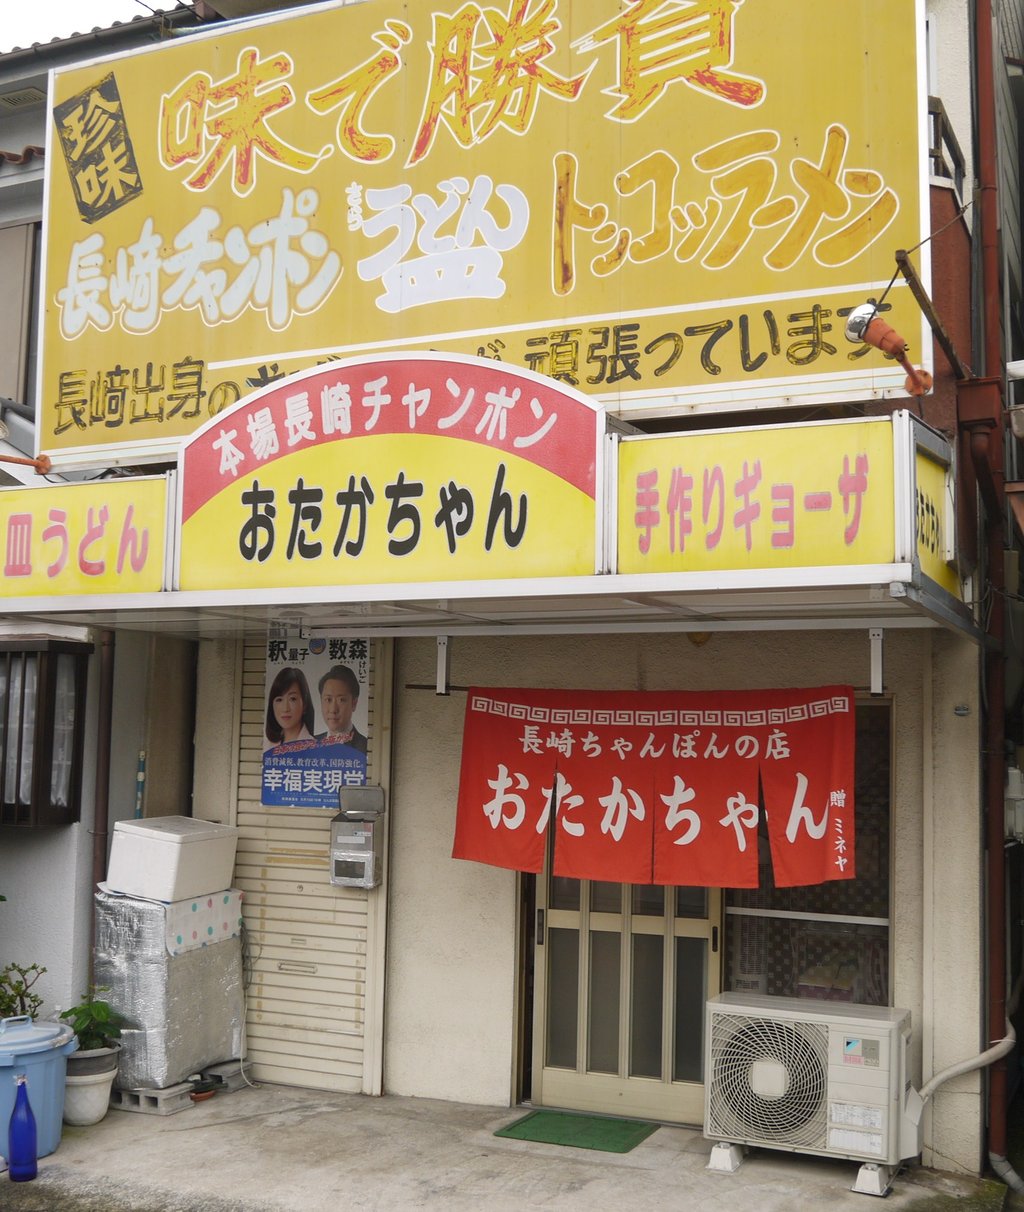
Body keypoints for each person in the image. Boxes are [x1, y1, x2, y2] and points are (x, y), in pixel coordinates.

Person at [315, 664, 367, 752]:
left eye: (341, 700)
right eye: (328, 699)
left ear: (354, 703)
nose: (333, 710)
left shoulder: (365, 748)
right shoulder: (310, 744)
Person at [264, 666, 315, 749]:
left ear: (304, 704)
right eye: (279, 699)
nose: (285, 708)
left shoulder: (314, 748)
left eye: (292, 699)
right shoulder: (267, 745)